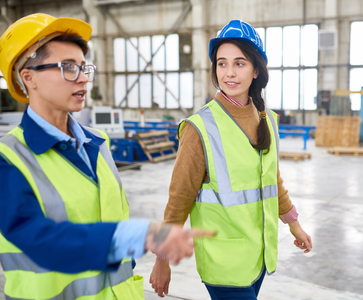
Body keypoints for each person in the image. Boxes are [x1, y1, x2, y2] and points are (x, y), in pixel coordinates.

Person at [0, 13, 213, 300]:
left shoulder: (98, 143)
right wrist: (137, 236)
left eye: (84, 67)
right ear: (29, 77)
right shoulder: (10, 159)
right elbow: (38, 240)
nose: (83, 79)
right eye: (67, 67)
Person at [149, 19, 313, 300]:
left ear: (256, 69)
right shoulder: (199, 127)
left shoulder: (267, 119)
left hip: (257, 255)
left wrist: (293, 223)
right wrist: (162, 259)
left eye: (239, 63)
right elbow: (179, 199)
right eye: (221, 64)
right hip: (223, 260)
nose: (229, 73)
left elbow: (271, 180)